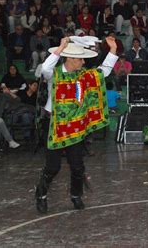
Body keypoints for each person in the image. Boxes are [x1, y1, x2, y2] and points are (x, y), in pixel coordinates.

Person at [35, 36, 118, 213]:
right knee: (53, 166)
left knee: (77, 165)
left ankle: (76, 195)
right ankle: (41, 194)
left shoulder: (83, 76)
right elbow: (45, 69)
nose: (82, 62)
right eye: (80, 59)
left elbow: (104, 72)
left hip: (75, 126)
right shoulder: (55, 74)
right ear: (70, 59)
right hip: (54, 125)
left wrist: (113, 51)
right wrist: (60, 48)